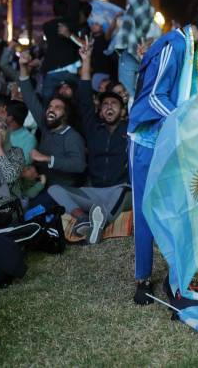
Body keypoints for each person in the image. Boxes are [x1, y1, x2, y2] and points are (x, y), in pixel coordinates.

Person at [128, 0, 198, 304]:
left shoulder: (190, 48)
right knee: (146, 209)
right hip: (148, 141)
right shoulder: (173, 45)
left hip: (171, 139)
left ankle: (181, 274)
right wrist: (186, 121)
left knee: (181, 204)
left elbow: (187, 100)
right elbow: (152, 97)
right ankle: (142, 277)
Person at [47, 38, 130, 244]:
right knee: (54, 189)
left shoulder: (131, 130)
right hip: (93, 191)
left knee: (122, 195)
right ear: (100, 111)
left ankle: (99, 223)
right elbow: (84, 96)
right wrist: (86, 59)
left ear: (122, 111)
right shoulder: (93, 129)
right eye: (105, 105)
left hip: (121, 190)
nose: (109, 107)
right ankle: (84, 218)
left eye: (114, 104)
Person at [18, 51, 87, 188]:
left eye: (57, 107)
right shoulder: (45, 126)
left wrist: (46, 158)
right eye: (50, 106)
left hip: (63, 190)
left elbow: (79, 166)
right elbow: (29, 97)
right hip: (41, 185)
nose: (51, 109)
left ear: (65, 114)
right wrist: (23, 67)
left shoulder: (72, 136)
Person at [108, 0, 157, 98]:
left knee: (127, 93)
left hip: (130, 53)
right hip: (137, 54)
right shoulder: (144, 11)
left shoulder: (139, 5)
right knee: (137, 93)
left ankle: (129, 119)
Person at [5, 100, 35, 164]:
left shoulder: (30, 139)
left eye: (3, 112)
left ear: (10, 118)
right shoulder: (1, 129)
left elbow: (23, 164)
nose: (0, 115)